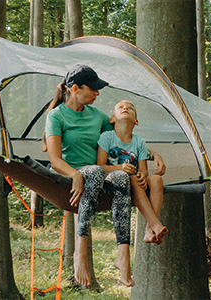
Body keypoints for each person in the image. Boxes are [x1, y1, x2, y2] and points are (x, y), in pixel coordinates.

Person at [43, 65, 163, 287]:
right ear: (75, 88)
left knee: (120, 177)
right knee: (96, 170)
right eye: (94, 89)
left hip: (99, 176)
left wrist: (153, 154)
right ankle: (80, 252)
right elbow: (55, 160)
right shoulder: (56, 116)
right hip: (67, 177)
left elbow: (125, 137)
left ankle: (123, 256)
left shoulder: (98, 117)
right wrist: (75, 175)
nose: (98, 93)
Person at [97, 100, 168, 247]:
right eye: (120, 107)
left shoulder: (139, 142)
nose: (125, 108)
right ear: (112, 119)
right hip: (113, 182)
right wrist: (119, 168)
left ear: (136, 121)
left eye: (130, 107)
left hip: (135, 181)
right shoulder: (107, 137)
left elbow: (143, 169)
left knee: (156, 180)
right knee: (134, 179)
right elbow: (100, 166)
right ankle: (155, 224)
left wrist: (143, 175)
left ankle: (150, 229)